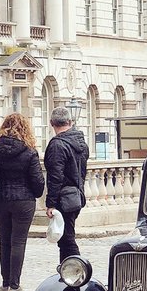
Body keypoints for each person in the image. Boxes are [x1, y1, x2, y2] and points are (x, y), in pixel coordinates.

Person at [0, 113, 44, 291]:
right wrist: (36, 193)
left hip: (1, 200)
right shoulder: (29, 151)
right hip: (23, 201)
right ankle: (15, 285)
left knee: (5, 242)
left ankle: (4, 285)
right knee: (18, 241)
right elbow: (38, 181)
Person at [43, 106, 89, 262]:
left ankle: (76, 272)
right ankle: (67, 272)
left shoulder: (57, 145)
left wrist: (51, 204)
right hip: (76, 194)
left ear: (51, 123)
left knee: (67, 240)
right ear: (70, 121)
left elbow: (55, 177)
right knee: (65, 238)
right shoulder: (81, 142)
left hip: (64, 198)